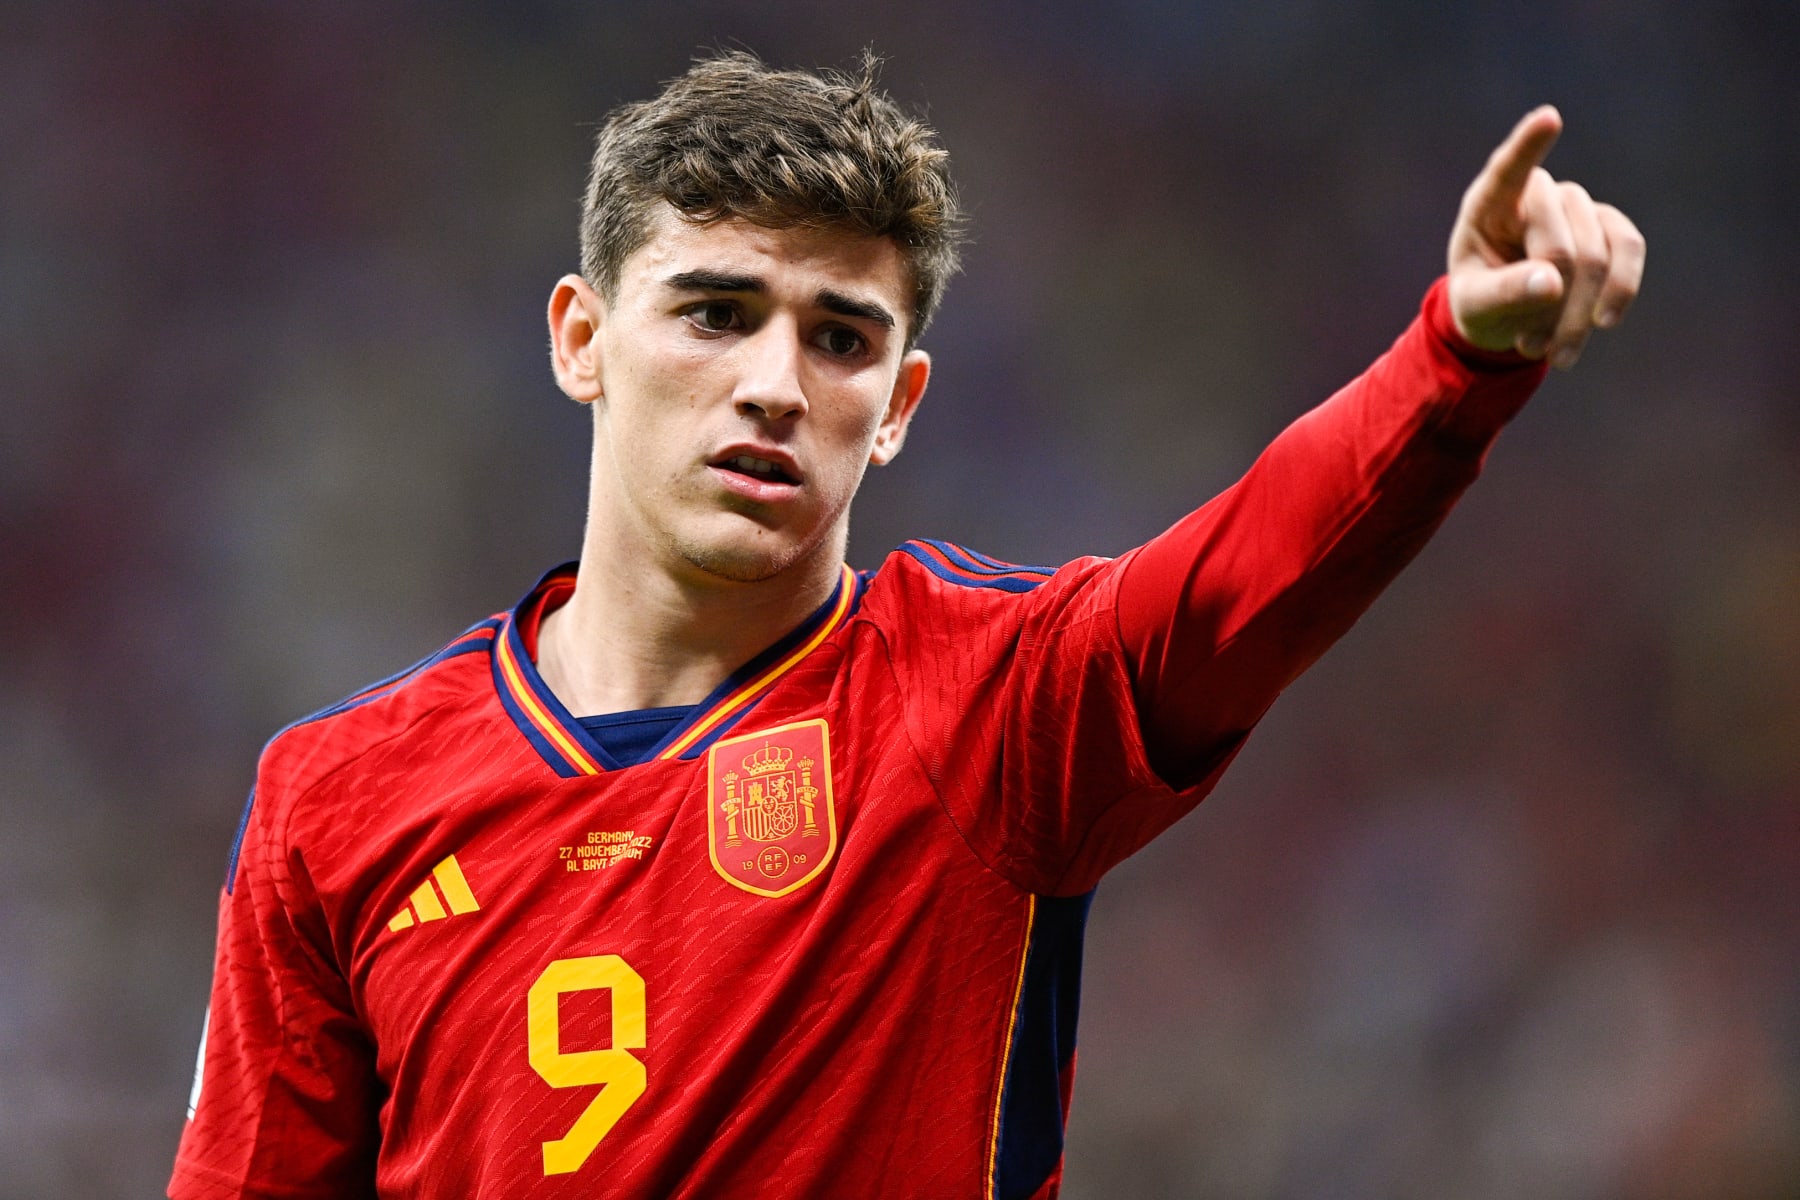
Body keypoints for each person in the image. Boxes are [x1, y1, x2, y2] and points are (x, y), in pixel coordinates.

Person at [170, 51, 1643, 1200]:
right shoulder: (335, 800)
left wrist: (1455, 360)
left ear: (898, 411)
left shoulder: (979, 703)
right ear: (580, 339)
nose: (772, 383)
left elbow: (1242, 574)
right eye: (714, 311)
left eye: (840, 338)